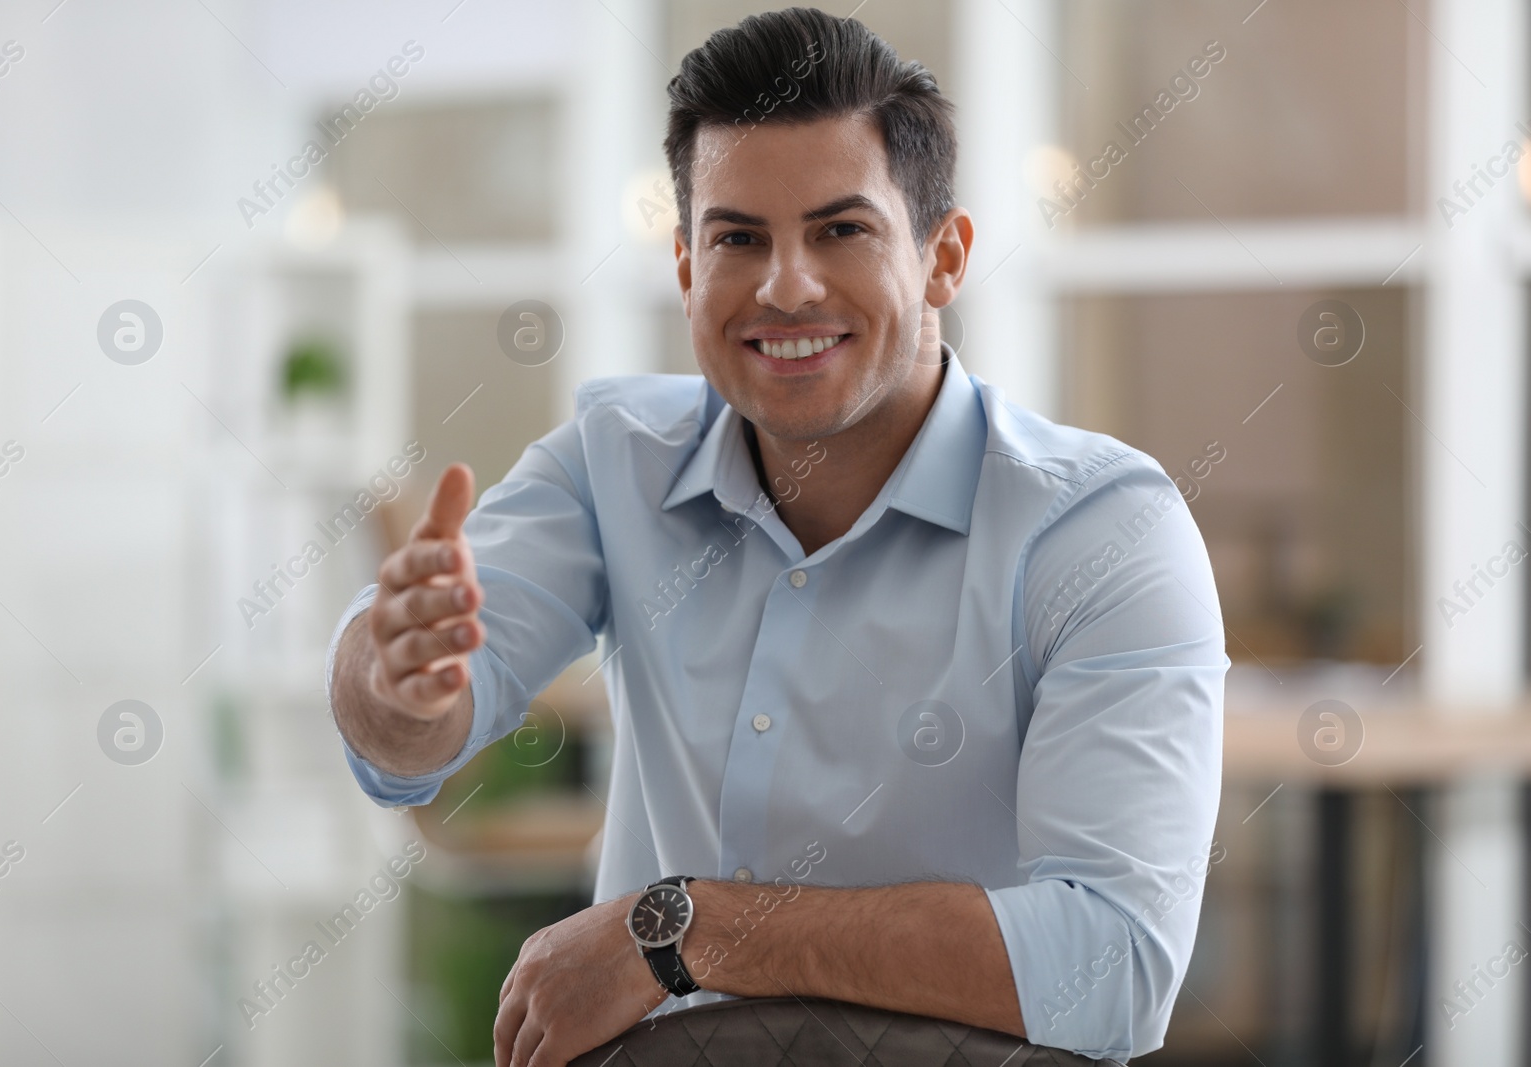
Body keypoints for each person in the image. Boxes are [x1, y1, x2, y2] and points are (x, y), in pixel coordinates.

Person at [326, 8, 1227, 1066]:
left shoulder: (1102, 529)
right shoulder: (614, 460)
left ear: (944, 255)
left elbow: (1112, 964)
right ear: (683, 266)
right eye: (737, 237)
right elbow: (405, 740)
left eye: (841, 230)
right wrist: (392, 684)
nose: (784, 285)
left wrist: (684, 929)